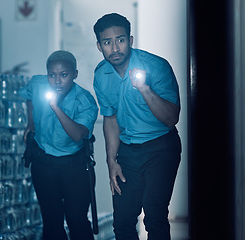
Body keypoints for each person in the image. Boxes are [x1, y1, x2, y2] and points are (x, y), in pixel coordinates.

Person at [92, 13, 182, 240]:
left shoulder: (157, 66)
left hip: (161, 148)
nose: (115, 48)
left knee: (155, 216)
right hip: (128, 151)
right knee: (122, 220)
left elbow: (171, 118)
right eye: (107, 42)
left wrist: (144, 88)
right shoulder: (101, 75)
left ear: (130, 40)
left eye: (120, 40)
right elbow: (110, 120)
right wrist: (111, 161)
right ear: (99, 46)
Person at [19, 50, 99, 240]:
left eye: (64, 75)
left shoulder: (85, 100)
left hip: (76, 168)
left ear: (75, 75)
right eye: (52, 75)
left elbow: (77, 134)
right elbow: (29, 95)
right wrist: (30, 122)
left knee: (76, 219)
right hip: (44, 165)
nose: (57, 81)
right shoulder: (38, 84)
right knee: (51, 221)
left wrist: (55, 107)